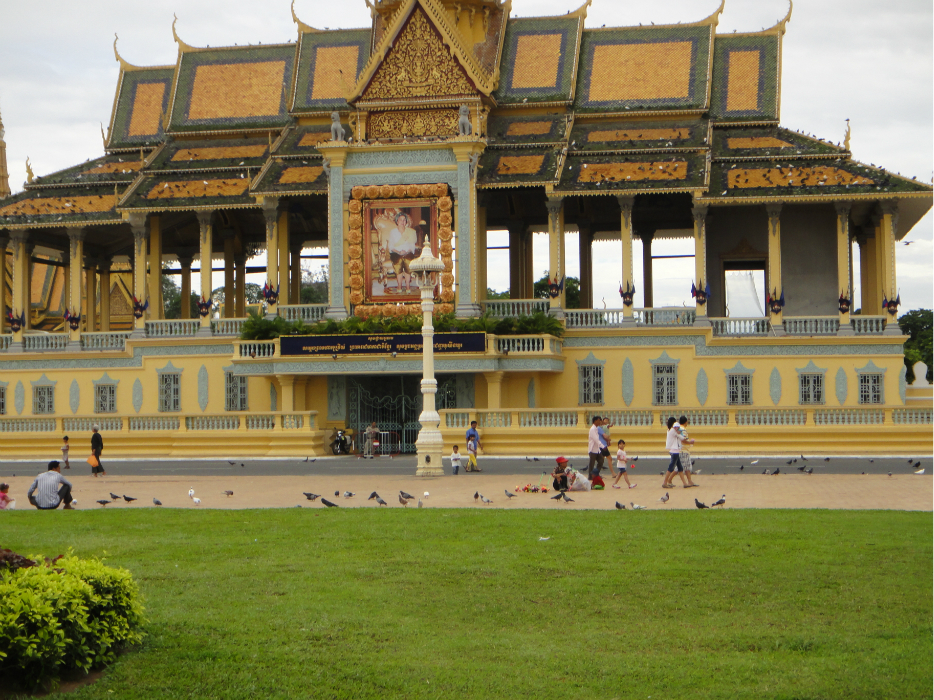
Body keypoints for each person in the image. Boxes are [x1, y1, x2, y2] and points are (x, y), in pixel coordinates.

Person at [387, 212, 418, 293]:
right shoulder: (393, 232)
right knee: (398, 261)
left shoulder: (410, 232)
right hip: (396, 253)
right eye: (400, 219)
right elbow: (391, 246)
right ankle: (399, 285)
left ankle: (407, 285)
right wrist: (399, 252)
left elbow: (412, 246)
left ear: (406, 222)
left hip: (408, 252)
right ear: (397, 221)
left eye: (404, 220)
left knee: (407, 261)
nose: (402, 221)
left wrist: (407, 251)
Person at [662, 416, 689, 489]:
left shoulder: (670, 430)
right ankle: (665, 482)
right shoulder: (673, 431)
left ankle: (685, 483)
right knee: (671, 468)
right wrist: (689, 441)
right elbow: (681, 437)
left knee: (680, 468)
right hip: (674, 451)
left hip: (675, 451)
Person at [678, 415, 698, 487]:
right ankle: (668, 480)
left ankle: (690, 481)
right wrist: (690, 442)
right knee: (680, 468)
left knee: (687, 467)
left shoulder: (679, 429)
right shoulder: (683, 430)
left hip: (682, 450)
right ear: (686, 422)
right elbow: (683, 440)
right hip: (683, 450)